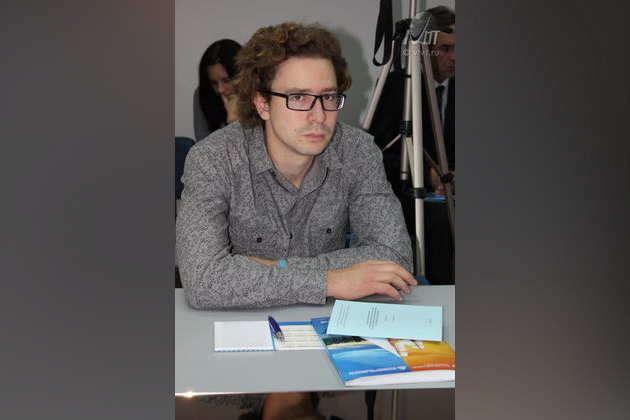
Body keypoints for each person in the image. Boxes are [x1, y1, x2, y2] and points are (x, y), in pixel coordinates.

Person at [177, 21, 415, 418]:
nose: (318, 116)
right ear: (262, 103)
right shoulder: (213, 159)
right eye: (298, 97)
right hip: (235, 348)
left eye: (328, 97)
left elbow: (394, 257)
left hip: (330, 342)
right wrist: (331, 279)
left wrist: (269, 268)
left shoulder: (357, 152)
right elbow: (202, 280)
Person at [193, 39, 242, 141]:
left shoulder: (260, 96)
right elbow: (203, 146)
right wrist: (231, 125)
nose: (220, 89)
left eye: (226, 80)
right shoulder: (202, 94)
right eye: (214, 83)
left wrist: (236, 122)